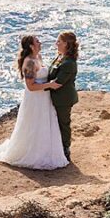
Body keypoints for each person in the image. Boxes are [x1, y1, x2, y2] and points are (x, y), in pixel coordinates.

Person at [0, 34, 68, 170]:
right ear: (31, 46)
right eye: (37, 41)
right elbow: (31, 87)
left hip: (44, 98)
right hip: (35, 99)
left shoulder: (38, 57)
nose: (40, 42)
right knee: (34, 125)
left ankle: (46, 152)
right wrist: (49, 85)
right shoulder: (29, 62)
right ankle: (34, 154)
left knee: (44, 124)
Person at [47, 31, 79, 161]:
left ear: (66, 44)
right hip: (55, 97)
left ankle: (66, 150)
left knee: (63, 123)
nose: (56, 44)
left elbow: (57, 83)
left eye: (59, 41)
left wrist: (38, 86)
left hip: (63, 99)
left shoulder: (69, 63)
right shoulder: (60, 57)